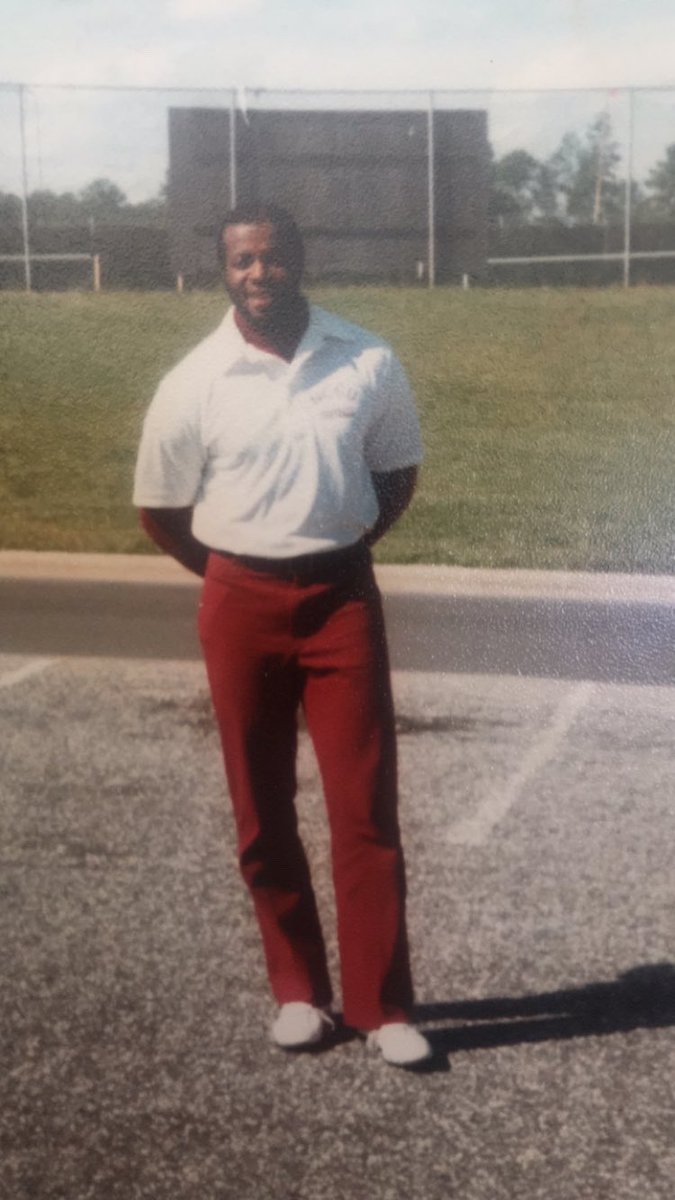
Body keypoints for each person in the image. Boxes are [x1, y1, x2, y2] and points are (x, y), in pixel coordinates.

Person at [133, 202, 431, 1067]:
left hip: (341, 599)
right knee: (261, 810)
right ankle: (299, 993)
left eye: (271, 258)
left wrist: (334, 551)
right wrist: (239, 574)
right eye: (241, 262)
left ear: (300, 259)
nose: (258, 275)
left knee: (364, 806)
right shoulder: (195, 378)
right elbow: (160, 511)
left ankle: (385, 1008)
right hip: (239, 601)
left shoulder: (365, 357)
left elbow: (396, 473)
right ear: (222, 270)